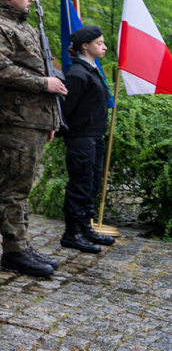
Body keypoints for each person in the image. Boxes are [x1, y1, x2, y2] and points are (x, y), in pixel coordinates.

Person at [0, 0, 67, 278]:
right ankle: (13, 251)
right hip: (13, 118)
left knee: (24, 184)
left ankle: (21, 244)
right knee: (14, 187)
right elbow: (1, 70)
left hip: (32, 119)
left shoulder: (25, 28)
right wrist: (45, 84)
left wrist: (49, 118)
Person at [59, 26, 117, 253]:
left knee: (92, 182)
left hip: (94, 136)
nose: (104, 46)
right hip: (81, 137)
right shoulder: (77, 74)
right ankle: (72, 232)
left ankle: (85, 226)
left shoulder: (92, 70)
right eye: (99, 43)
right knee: (80, 183)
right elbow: (66, 110)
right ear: (85, 46)